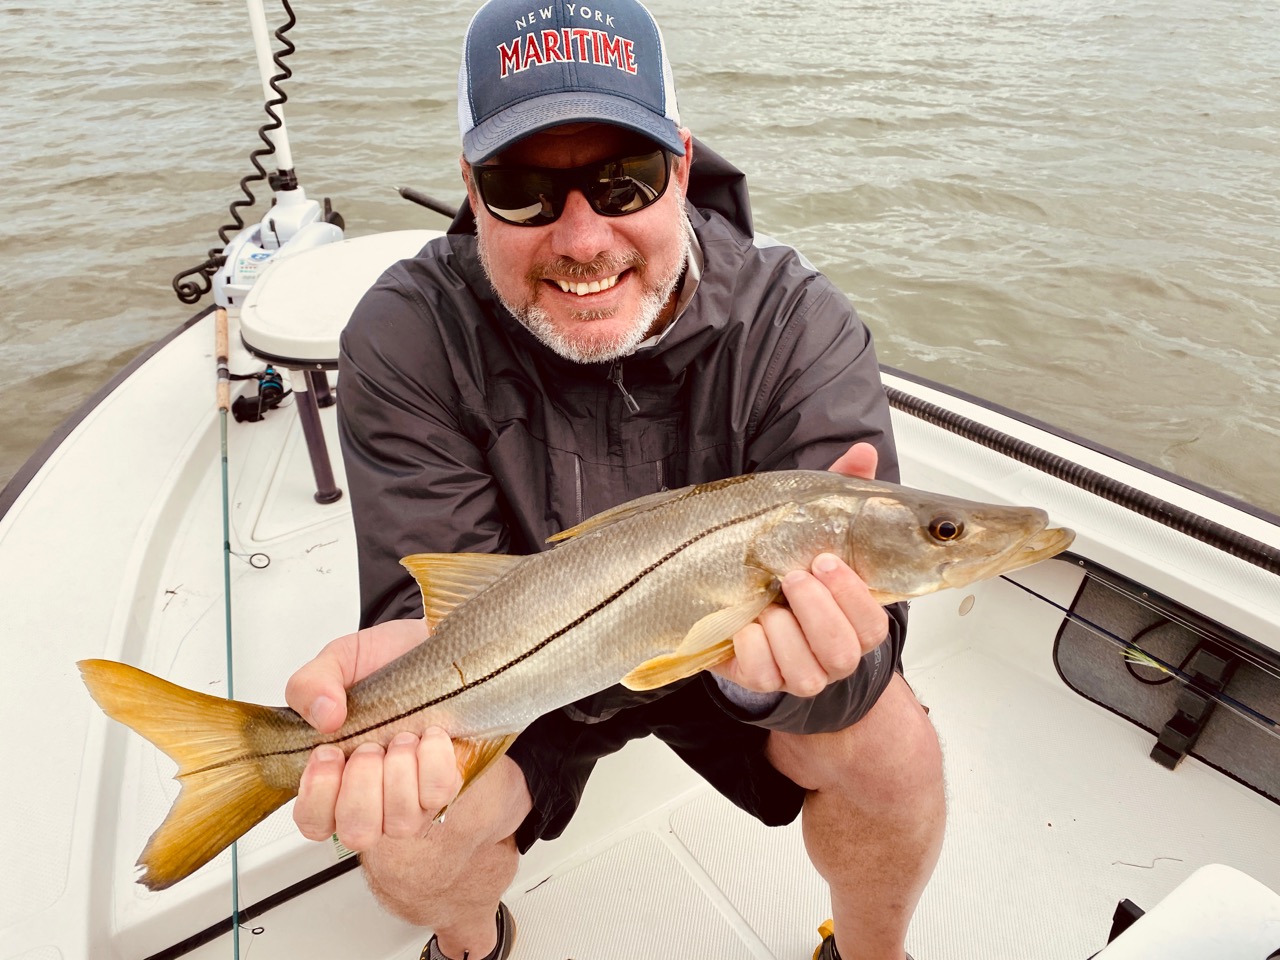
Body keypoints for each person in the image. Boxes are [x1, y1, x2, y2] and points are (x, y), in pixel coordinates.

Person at [284, 0, 944, 957]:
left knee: (894, 745)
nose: (584, 238)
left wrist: (803, 673)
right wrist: (399, 697)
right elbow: (425, 605)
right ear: (470, 191)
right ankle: (472, 942)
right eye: (523, 190)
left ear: (680, 168)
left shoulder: (796, 323)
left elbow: (866, 658)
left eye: (624, 180)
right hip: (521, 676)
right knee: (407, 836)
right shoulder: (406, 335)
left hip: (729, 663)